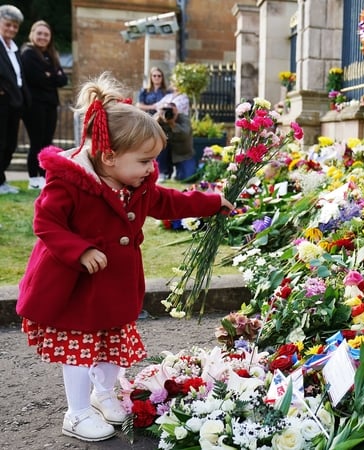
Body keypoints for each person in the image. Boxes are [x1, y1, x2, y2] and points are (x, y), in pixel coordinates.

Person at [15, 72, 234, 443]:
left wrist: (211, 202)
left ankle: (103, 395)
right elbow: (46, 222)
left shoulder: (134, 181)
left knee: (111, 346)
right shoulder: (70, 181)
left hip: (114, 287)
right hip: (77, 288)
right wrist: (79, 250)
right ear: (109, 156)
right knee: (81, 352)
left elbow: (169, 201)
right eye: (146, 160)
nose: (152, 169)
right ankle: (77, 411)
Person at [20, 20, 68, 190]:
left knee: (47, 142)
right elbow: (36, 78)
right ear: (32, 34)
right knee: (36, 141)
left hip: (50, 104)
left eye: (46, 34)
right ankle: (33, 178)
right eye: (39, 33)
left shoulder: (51, 54)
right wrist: (51, 75)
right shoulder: (27, 53)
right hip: (34, 105)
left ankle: (44, 175)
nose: (42, 37)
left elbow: (63, 79)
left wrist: (50, 75)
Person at [0, 5, 27, 195]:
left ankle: (1, 180)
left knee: (10, 144)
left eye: (15, 26)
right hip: (2, 102)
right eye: (8, 24)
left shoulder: (15, 49)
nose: (11, 29)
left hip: (14, 104)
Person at [155, 101, 196, 181]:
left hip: (182, 155)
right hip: (164, 154)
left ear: (177, 111)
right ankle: (162, 172)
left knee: (186, 177)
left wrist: (172, 124)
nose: (168, 113)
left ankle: (176, 172)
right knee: (161, 146)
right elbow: (148, 132)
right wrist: (157, 119)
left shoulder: (183, 118)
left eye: (171, 110)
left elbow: (185, 135)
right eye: (166, 109)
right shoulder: (158, 118)